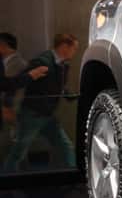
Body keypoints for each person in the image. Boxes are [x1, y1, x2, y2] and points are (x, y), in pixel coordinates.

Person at [2, 34, 79, 172]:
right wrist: (7, 105)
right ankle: (6, 182)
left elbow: (59, 86)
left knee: (65, 146)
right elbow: (18, 81)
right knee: (18, 152)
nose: (75, 52)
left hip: (47, 115)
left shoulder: (62, 64)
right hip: (32, 115)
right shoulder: (42, 61)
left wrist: (72, 95)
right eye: (74, 48)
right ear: (64, 47)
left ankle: (72, 177)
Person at [0, 32, 48, 132]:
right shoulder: (6, 62)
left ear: (4, 45)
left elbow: (11, 87)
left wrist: (8, 107)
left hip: (11, 111)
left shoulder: (17, 63)